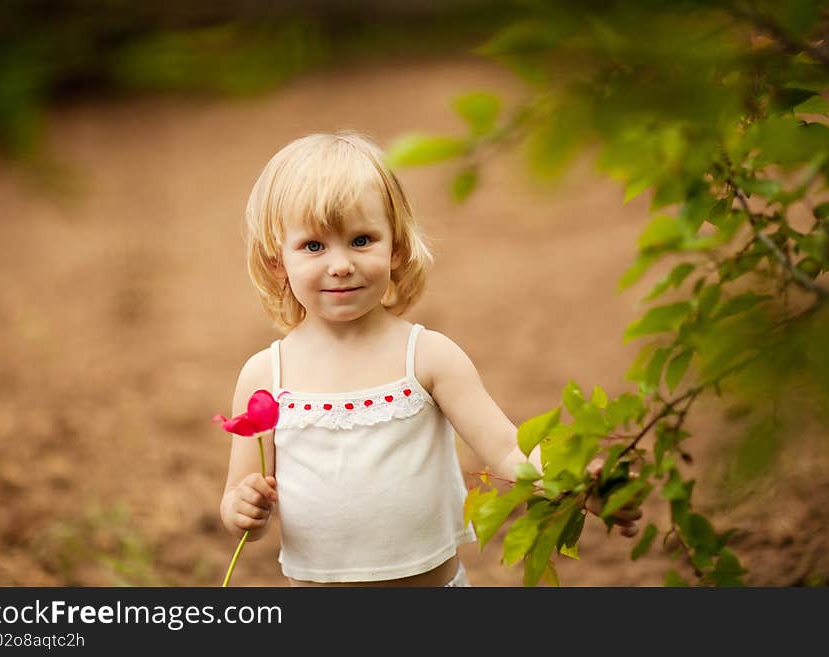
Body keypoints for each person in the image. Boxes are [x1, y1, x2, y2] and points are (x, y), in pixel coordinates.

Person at [219, 130, 639, 587]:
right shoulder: (265, 374)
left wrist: (578, 484)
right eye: (314, 246)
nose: (340, 265)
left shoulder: (426, 356)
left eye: (361, 240)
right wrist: (244, 510)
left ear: (395, 247)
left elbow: (505, 447)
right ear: (276, 259)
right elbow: (241, 497)